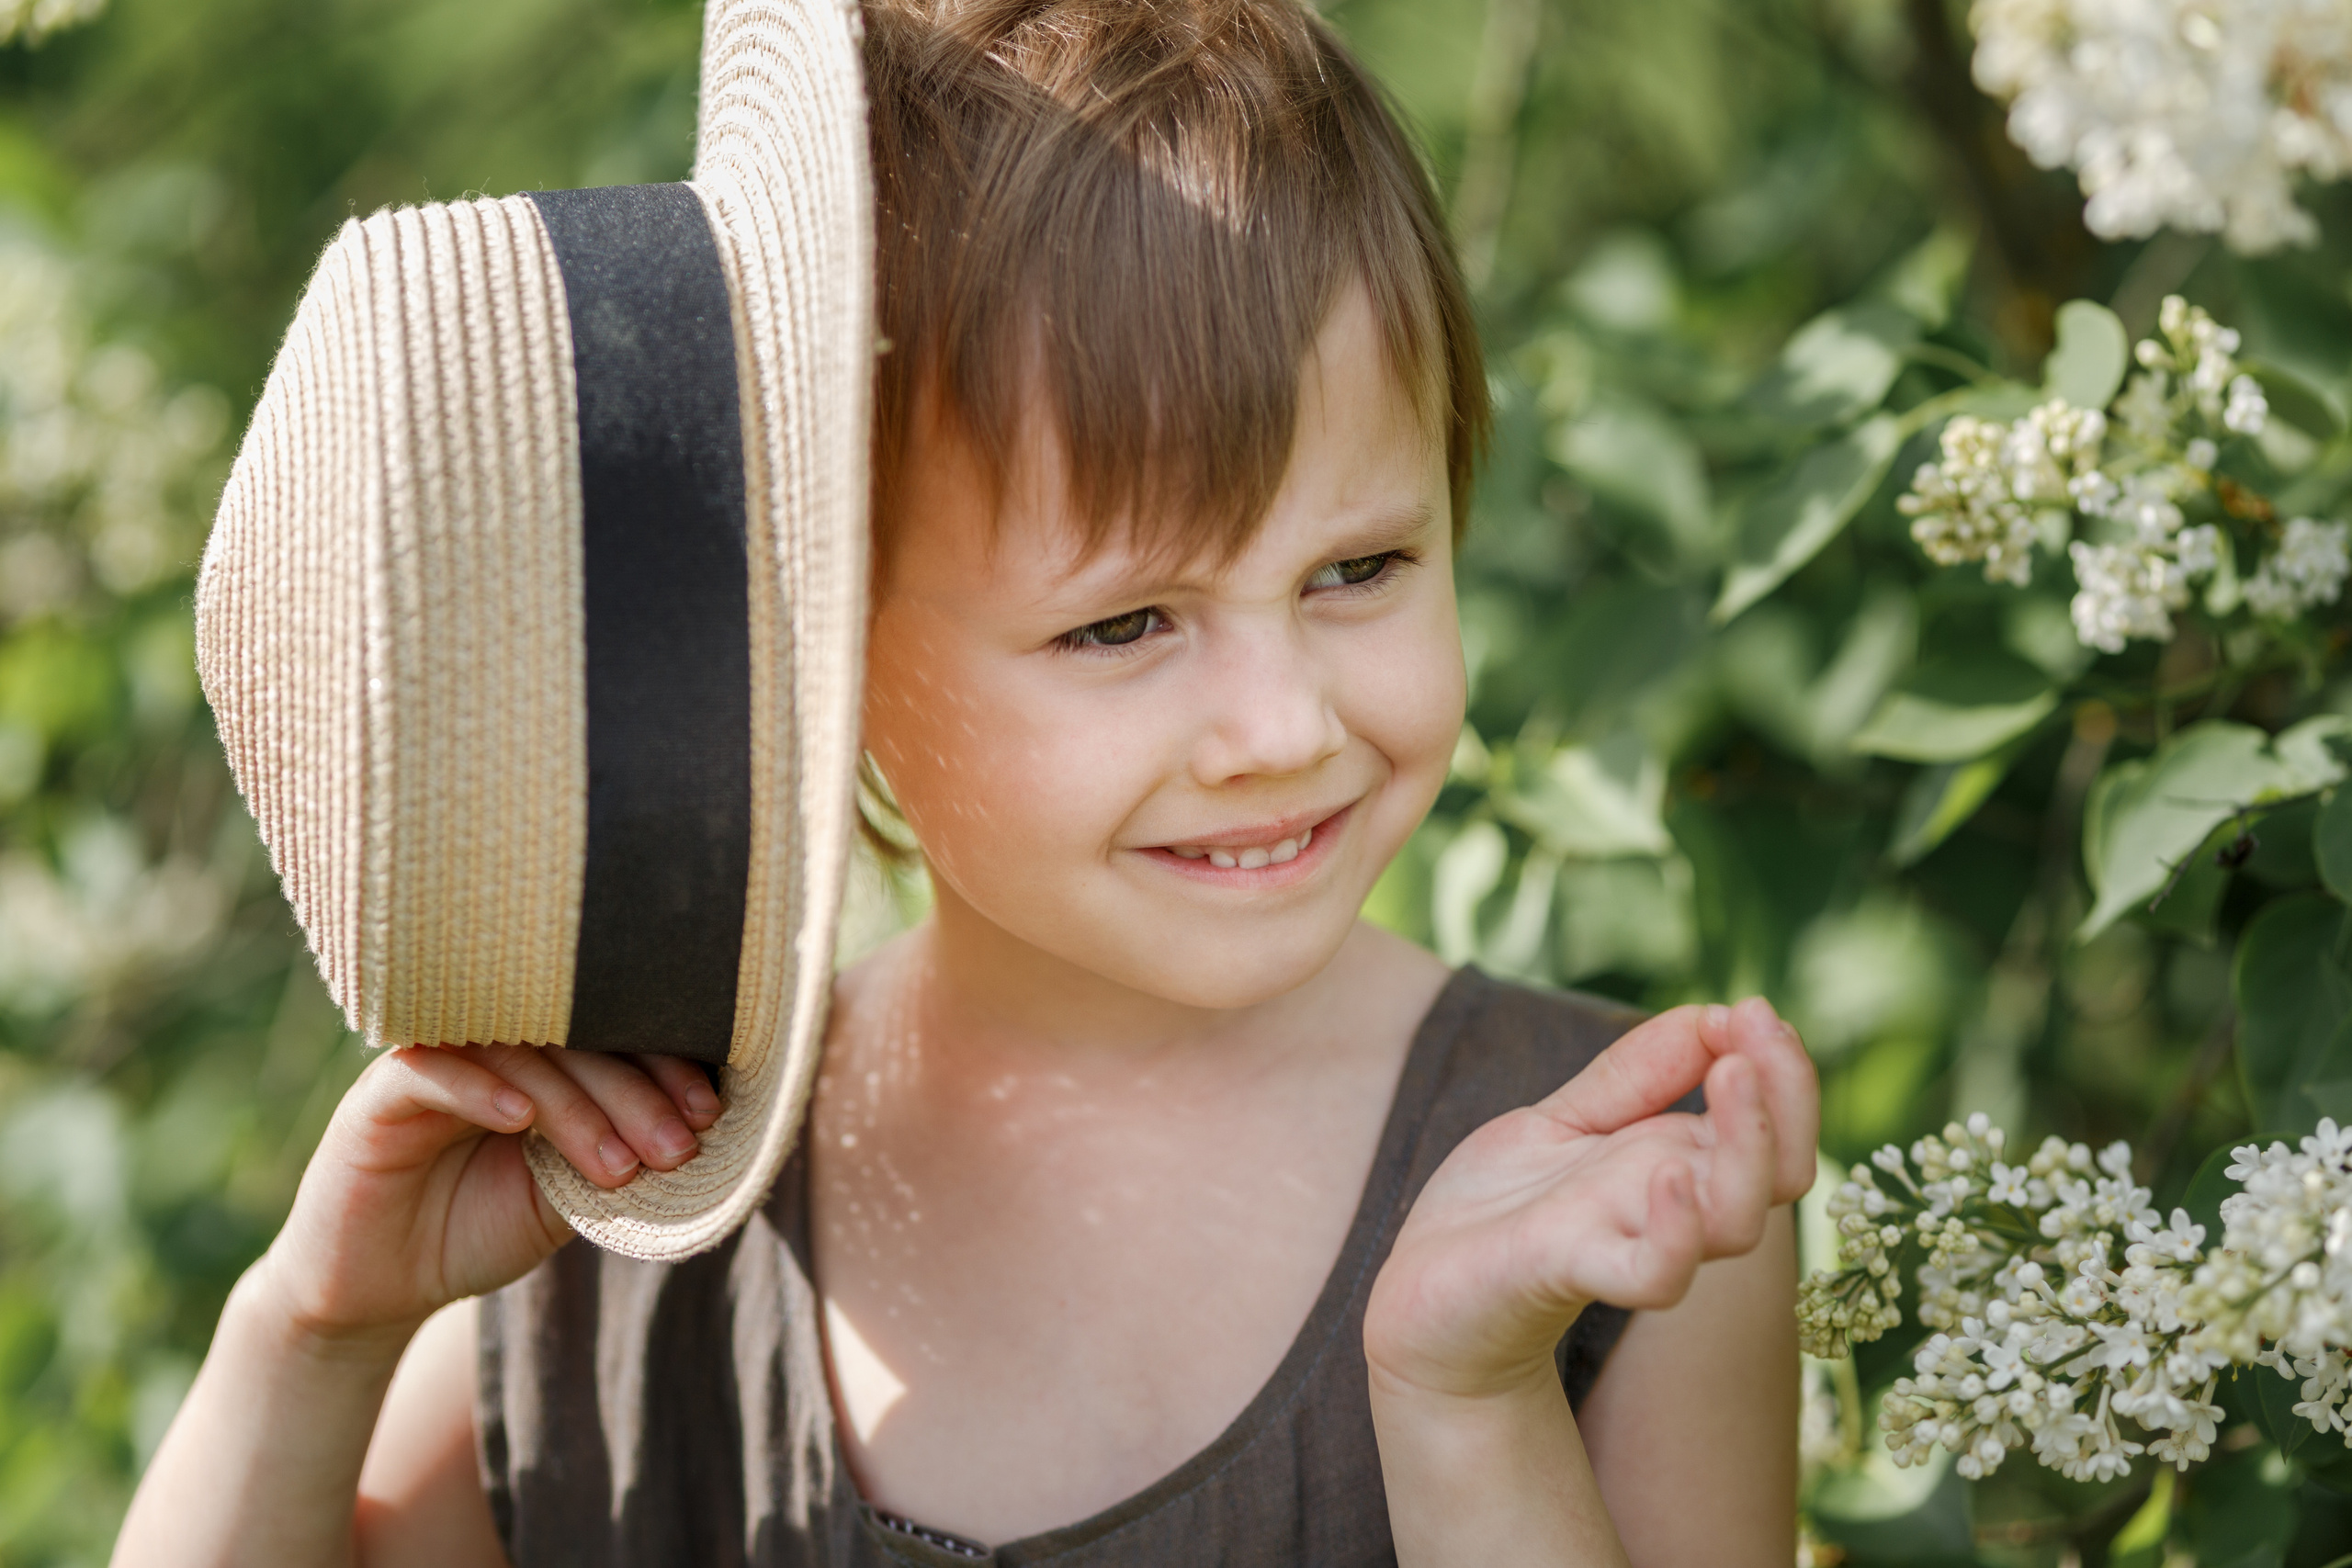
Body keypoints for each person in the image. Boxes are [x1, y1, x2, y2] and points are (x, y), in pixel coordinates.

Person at [116, 1, 1817, 1562]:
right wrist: (314, 1332)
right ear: (825, 661)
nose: (1281, 724)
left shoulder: (1610, 1202)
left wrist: (1467, 1408)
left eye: (1360, 569)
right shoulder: (608, 1246)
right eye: (1126, 622)